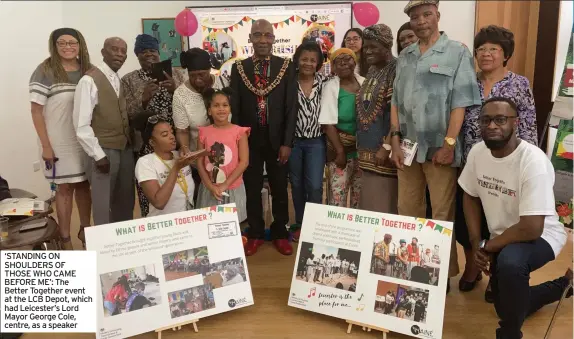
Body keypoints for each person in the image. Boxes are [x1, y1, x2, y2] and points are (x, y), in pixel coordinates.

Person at [458, 97, 571, 339]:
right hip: (503, 236)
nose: (492, 125)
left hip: (542, 235)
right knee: (507, 306)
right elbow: (469, 195)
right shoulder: (478, 153)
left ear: (516, 123)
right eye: (486, 120)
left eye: (500, 119)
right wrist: (478, 242)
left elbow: (531, 228)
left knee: (510, 263)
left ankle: (509, 334)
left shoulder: (533, 161)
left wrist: (488, 247)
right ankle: (564, 285)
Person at [390, 0, 481, 292]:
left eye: (426, 15)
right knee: (407, 208)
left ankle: (439, 275)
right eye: (415, 17)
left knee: (442, 213)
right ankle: (408, 269)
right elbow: (396, 101)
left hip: (439, 149)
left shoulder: (457, 52)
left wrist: (449, 143)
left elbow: (461, 102)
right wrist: (393, 138)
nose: (421, 21)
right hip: (407, 148)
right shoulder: (405, 56)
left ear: (437, 16)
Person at [457, 26, 540, 296]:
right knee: (468, 220)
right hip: (472, 163)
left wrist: (527, 164)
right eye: (481, 49)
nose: (486, 54)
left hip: (507, 165)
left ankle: (496, 274)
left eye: (493, 49)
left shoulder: (519, 84)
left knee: (500, 222)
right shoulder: (467, 81)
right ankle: (472, 267)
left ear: (505, 55)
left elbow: (528, 125)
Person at [230, 19, 297, 256]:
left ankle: (280, 233)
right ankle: (256, 232)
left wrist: (287, 142)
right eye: (257, 35)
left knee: (280, 187)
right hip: (249, 141)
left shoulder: (286, 66)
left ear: (273, 39)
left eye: (267, 35)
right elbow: (235, 108)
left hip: (278, 139)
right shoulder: (238, 68)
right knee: (252, 187)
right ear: (249, 38)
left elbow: (291, 107)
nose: (262, 40)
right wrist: (239, 142)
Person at [30, 28, 92, 250]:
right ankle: (65, 239)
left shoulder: (88, 70)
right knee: (64, 189)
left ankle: (86, 233)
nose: (67, 47)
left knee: (84, 187)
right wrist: (46, 146)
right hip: (58, 142)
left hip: (84, 141)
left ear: (80, 44)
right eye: (62, 43)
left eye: (72, 43)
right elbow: (36, 111)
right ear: (54, 46)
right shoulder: (45, 70)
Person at [73, 37, 134, 226]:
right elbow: (81, 124)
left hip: (124, 148)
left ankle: (124, 245)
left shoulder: (117, 79)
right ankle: (104, 249)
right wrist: (98, 155)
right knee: (102, 204)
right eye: (114, 49)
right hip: (103, 150)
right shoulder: (89, 80)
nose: (119, 54)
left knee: (125, 201)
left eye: (123, 51)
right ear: (103, 52)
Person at [122, 34, 180, 217]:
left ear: (159, 52)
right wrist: (143, 99)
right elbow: (126, 114)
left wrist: (175, 90)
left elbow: (189, 104)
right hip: (145, 146)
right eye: (143, 51)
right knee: (150, 189)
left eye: (152, 50)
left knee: (178, 184)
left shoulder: (176, 73)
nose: (148, 54)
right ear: (137, 55)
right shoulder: (128, 80)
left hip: (174, 141)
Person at [356, 24, 398, 214]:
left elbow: (398, 113)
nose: (367, 51)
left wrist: (387, 146)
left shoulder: (396, 69)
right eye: (365, 47)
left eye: (373, 47)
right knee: (368, 207)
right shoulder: (372, 70)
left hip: (384, 153)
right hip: (366, 153)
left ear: (387, 46)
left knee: (383, 206)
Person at [288, 42, 328, 240]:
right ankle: (300, 224)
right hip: (293, 142)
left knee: (314, 185)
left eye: (313, 60)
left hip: (316, 142)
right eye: (304, 59)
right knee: (296, 184)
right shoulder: (289, 81)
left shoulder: (325, 82)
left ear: (319, 63)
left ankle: (315, 225)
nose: (308, 63)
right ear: (297, 59)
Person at [319, 48, 364, 208]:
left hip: (363, 153)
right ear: (333, 67)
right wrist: (340, 152)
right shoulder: (331, 87)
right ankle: (336, 232)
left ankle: (358, 232)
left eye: (347, 59)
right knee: (337, 200)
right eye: (338, 61)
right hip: (340, 152)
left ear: (355, 61)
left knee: (360, 199)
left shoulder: (364, 83)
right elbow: (327, 122)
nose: (344, 63)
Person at [196, 88, 250, 222]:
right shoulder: (203, 132)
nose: (221, 109)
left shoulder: (239, 132)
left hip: (232, 186)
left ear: (230, 109)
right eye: (216, 105)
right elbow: (199, 162)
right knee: (211, 224)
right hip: (209, 188)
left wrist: (225, 184)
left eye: (225, 105)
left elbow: (244, 162)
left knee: (232, 225)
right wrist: (210, 186)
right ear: (209, 111)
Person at [134, 115, 201, 216]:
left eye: (172, 132)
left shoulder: (179, 155)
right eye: (165, 135)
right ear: (152, 142)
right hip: (164, 226)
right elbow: (159, 203)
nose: (172, 137)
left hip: (187, 221)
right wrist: (176, 169)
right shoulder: (145, 162)